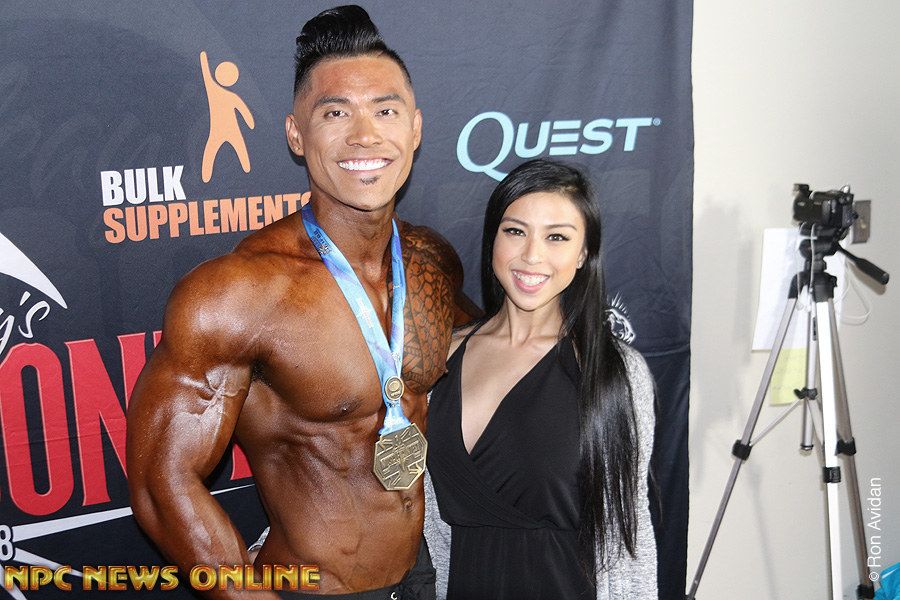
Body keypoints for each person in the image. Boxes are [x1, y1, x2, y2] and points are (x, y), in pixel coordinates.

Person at [127, 6, 476, 599]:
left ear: (415, 128)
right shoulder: (240, 293)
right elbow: (163, 482)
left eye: (385, 110)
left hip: (421, 577)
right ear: (296, 134)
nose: (365, 135)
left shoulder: (430, 262)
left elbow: (485, 348)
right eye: (336, 113)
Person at [423, 159, 658, 600]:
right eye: (515, 231)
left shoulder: (615, 372)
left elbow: (629, 540)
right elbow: (431, 525)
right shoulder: (438, 358)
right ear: (493, 239)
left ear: (584, 253)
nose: (532, 255)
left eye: (557, 237)